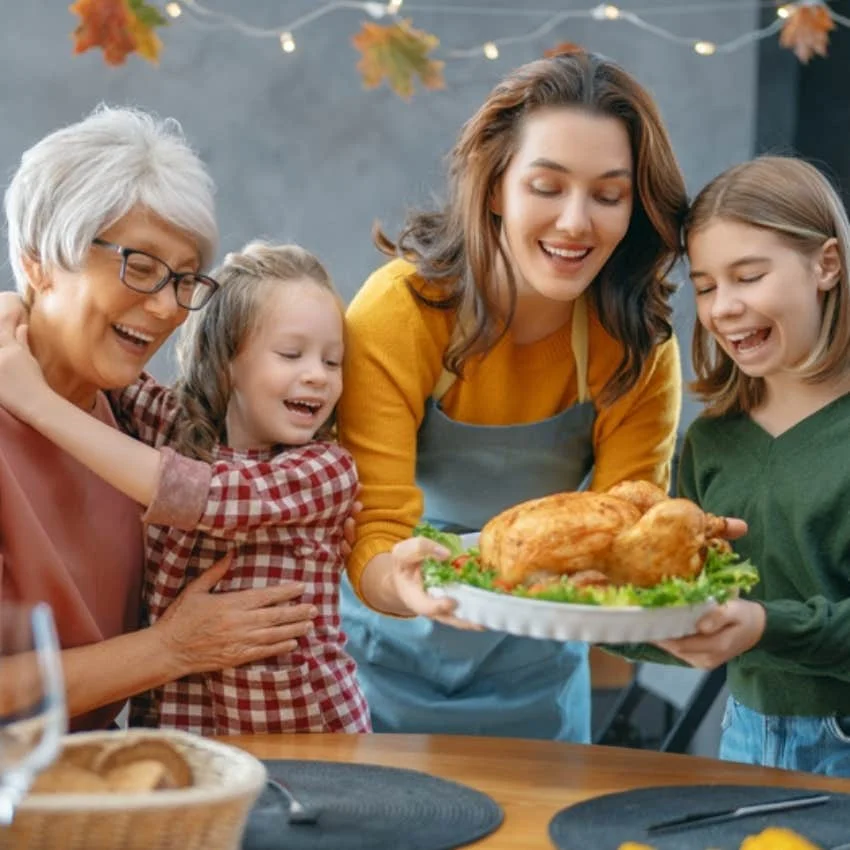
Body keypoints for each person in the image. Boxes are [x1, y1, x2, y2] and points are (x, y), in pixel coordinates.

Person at [336, 49, 689, 740]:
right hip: (380, 665)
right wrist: (401, 585)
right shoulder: (400, 313)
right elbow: (373, 525)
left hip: (536, 680)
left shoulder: (637, 349)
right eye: (547, 186)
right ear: (496, 187)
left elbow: (622, 536)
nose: (575, 223)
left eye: (609, 195)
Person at [0, 106, 315, 731]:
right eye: (139, 267)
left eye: (184, 278)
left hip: (97, 781)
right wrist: (169, 649)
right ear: (38, 258)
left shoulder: (131, 412)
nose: (168, 307)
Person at [0, 241, 370, 736]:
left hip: (306, 737)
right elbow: (87, 350)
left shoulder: (326, 471)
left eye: (332, 361)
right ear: (226, 363)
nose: (316, 376)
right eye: (290, 354)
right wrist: (12, 311)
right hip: (180, 730)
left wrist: (34, 402)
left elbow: (196, 496)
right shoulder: (178, 428)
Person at [647, 156, 850, 775]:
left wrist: (766, 626)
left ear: (827, 264)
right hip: (742, 739)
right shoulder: (712, 440)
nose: (723, 307)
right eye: (706, 286)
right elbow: (689, 606)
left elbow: (757, 622)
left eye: (749, 276)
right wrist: (540, 600)